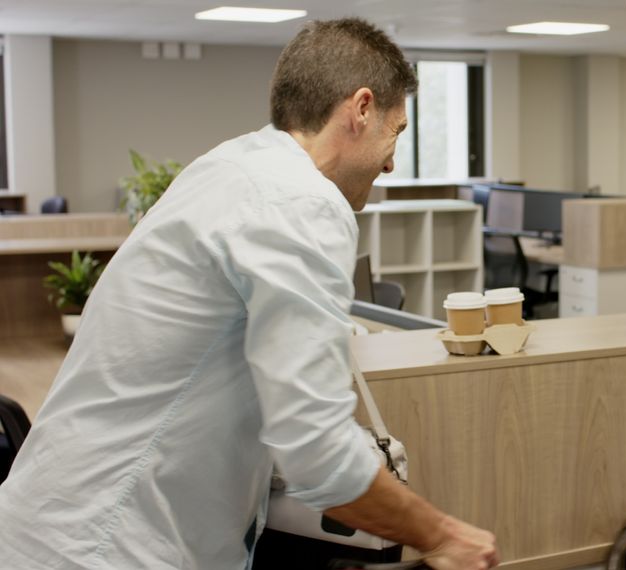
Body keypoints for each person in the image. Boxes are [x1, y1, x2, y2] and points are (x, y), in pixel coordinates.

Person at [0, 18, 498, 569]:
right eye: (396, 131)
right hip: (108, 546)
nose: (391, 161)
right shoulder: (302, 202)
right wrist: (443, 534)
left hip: (48, 522)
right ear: (360, 109)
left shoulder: (231, 167)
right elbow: (318, 455)